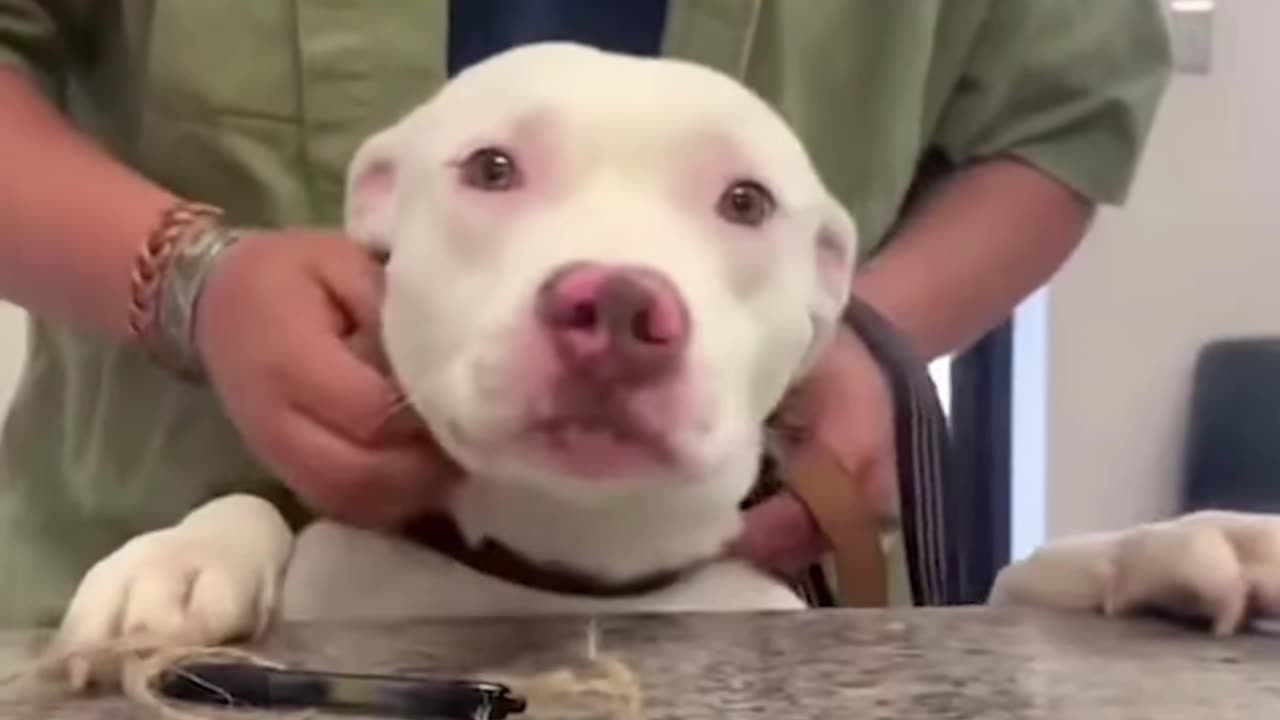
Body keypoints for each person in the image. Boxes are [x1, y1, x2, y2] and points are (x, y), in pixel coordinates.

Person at [0, 1, 1173, 626]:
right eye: (496, 176)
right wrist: (190, 277)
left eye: (740, 203)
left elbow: (1059, 107)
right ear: (378, 202)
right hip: (160, 578)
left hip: (754, 577)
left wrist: (870, 326)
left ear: (815, 266)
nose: (612, 294)